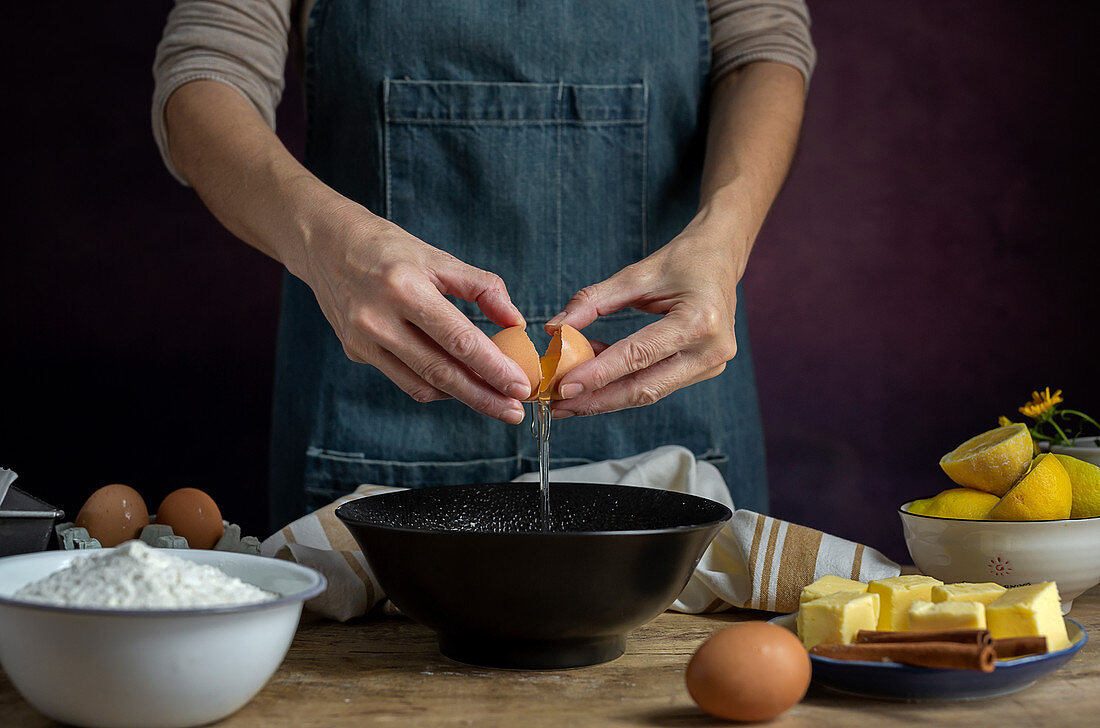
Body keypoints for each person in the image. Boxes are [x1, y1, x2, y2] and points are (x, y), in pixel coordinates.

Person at [152, 0, 815, 528]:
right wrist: (326, 244)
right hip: (372, 431)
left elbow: (764, 47)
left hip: (674, 418)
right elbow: (206, 71)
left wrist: (722, 239)